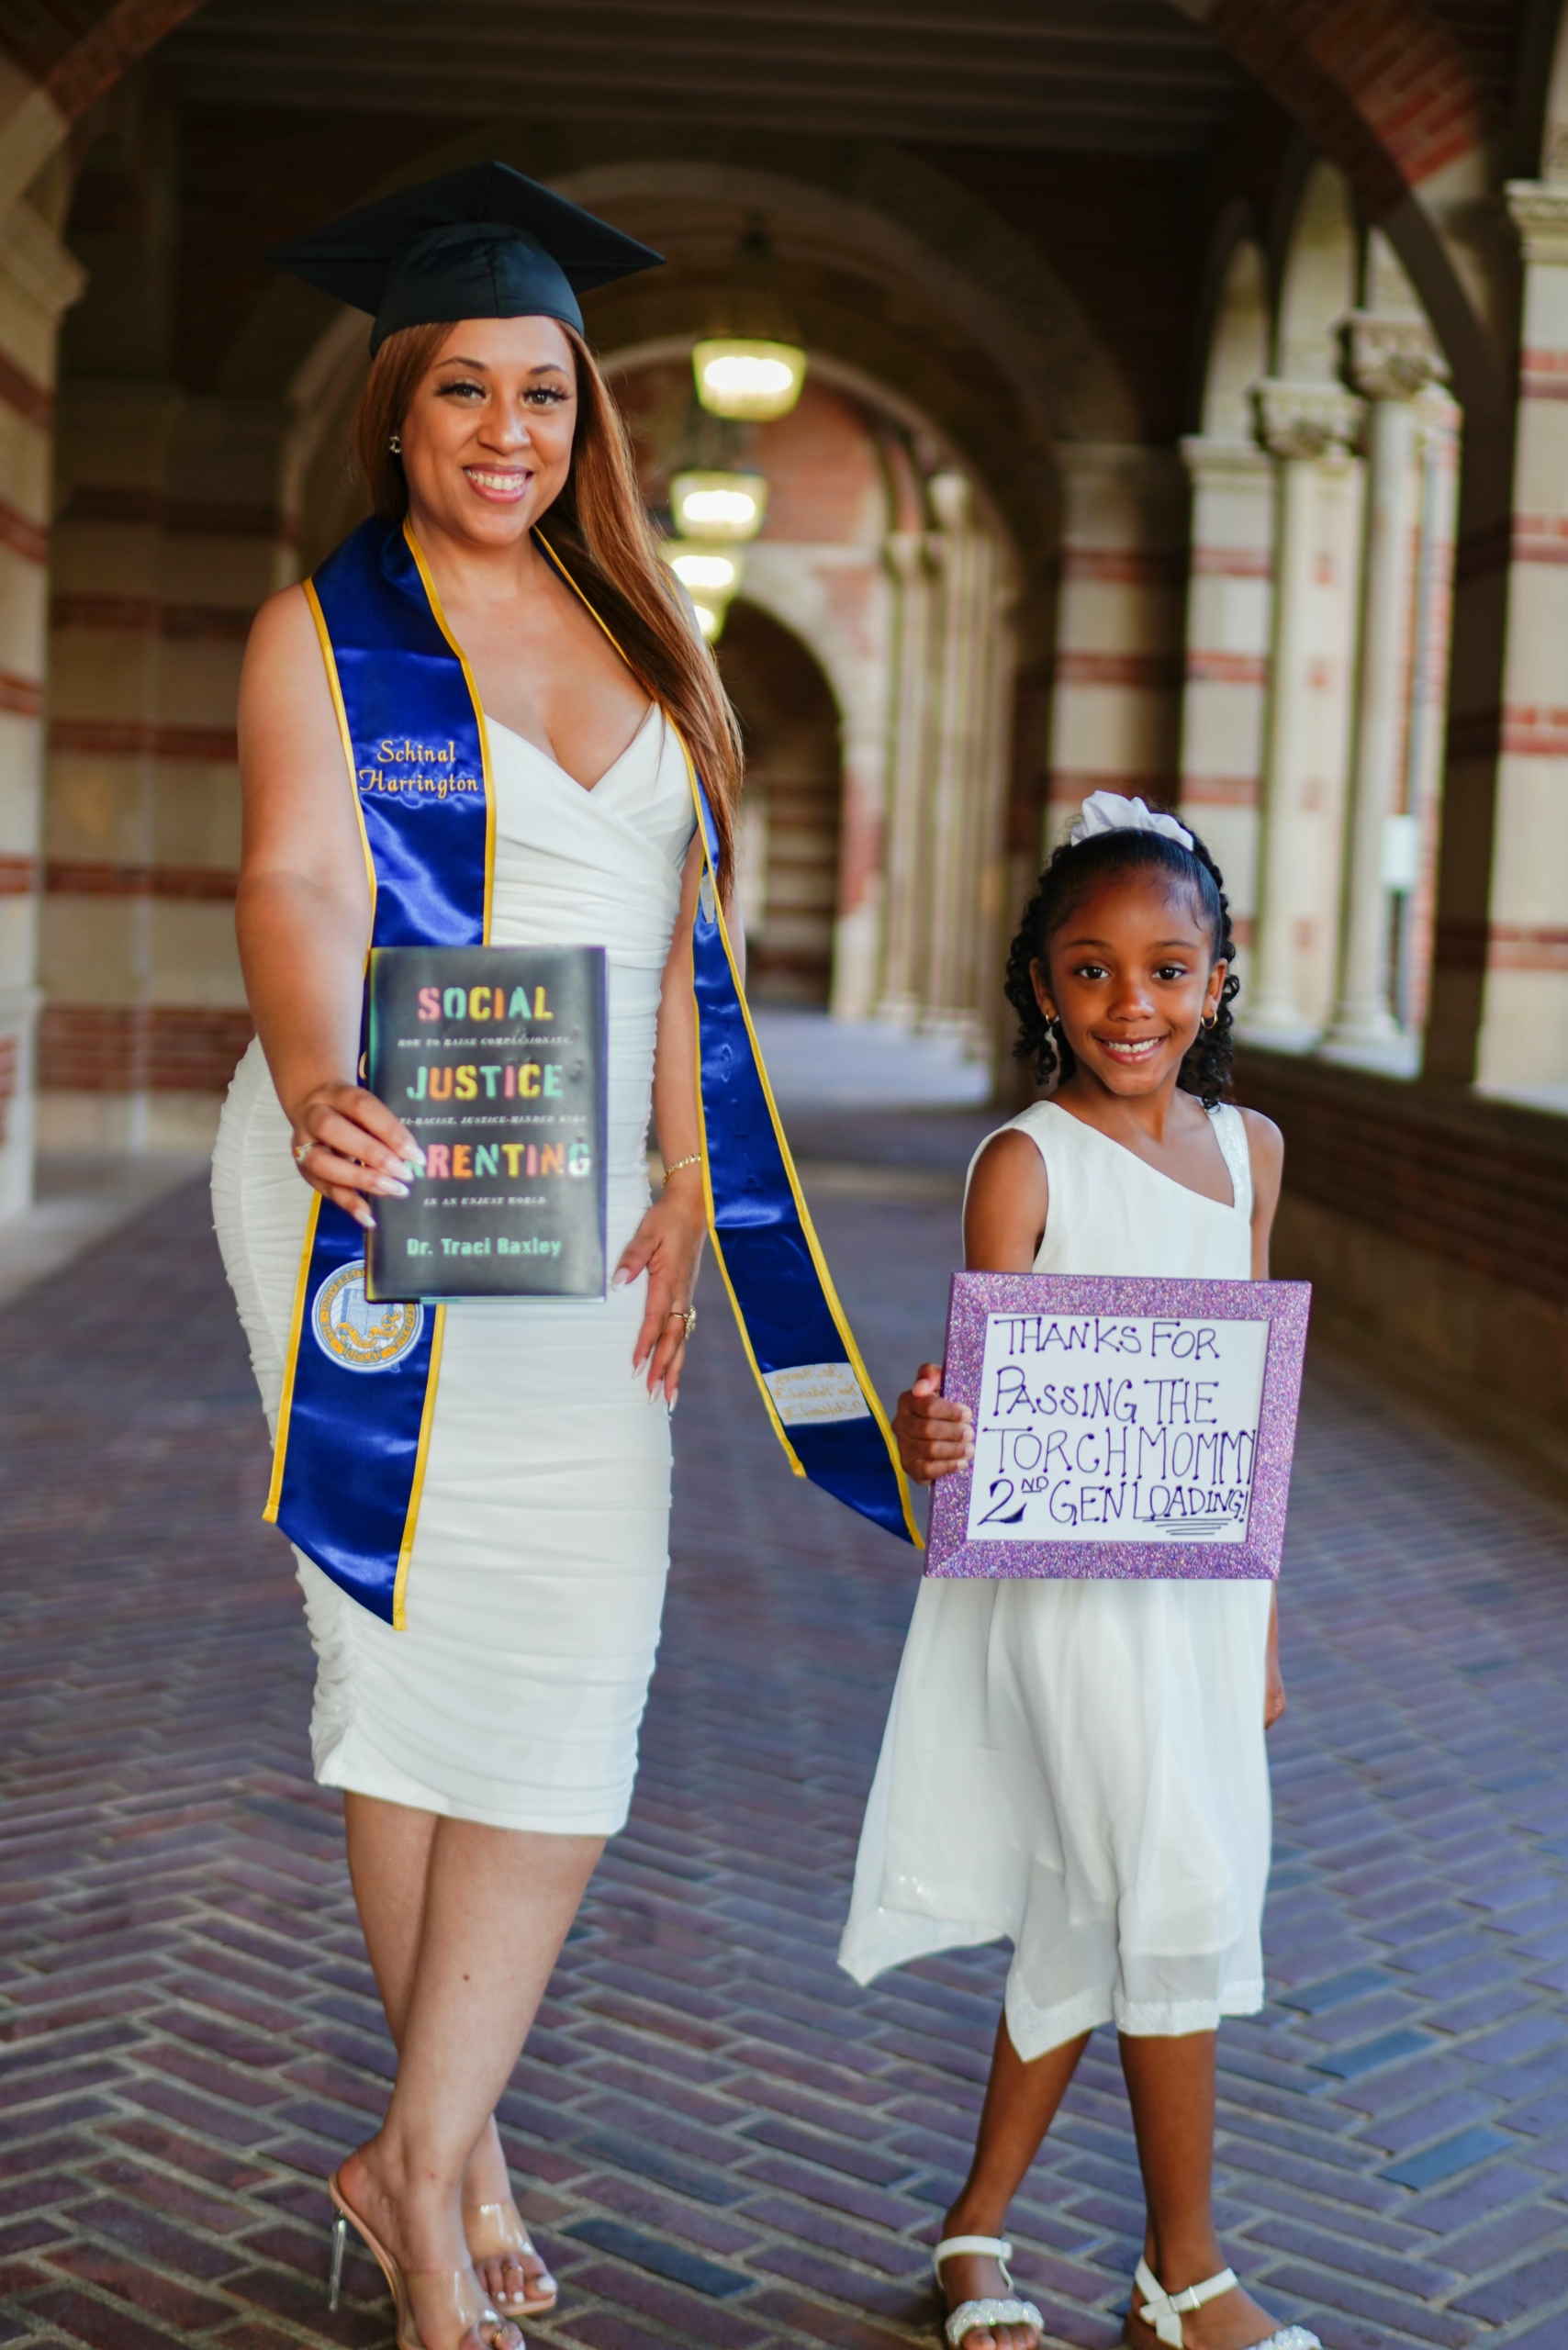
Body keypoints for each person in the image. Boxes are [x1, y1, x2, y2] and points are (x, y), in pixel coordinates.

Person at [212, 165, 742, 2350]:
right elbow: (295, 873)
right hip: (392, 1173)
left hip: (589, 1187)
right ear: (398, 416)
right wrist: (324, 1070)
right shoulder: (322, 631)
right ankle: (438, 2180)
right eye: (463, 390)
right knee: (420, 1665)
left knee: (572, 1667)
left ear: (584, 415)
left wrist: (696, 1169)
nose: (506, 427)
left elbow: (684, 938)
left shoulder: (644, 632)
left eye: (542, 390)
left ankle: (423, 2132)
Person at [839, 796, 1320, 2350]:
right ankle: (1186, 2273)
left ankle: (973, 2232)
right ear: (1042, 985)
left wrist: (1259, 1623)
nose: (1134, 1006)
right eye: (1094, 971)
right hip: (1065, 1600)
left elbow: (1251, 1413)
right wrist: (934, 1430)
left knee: (1081, 1898)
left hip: (1198, 1599)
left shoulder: (1252, 1154)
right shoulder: (1023, 1162)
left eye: (1169, 970)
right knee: (1168, 1885)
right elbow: (979, 1404)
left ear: (1221, 979)